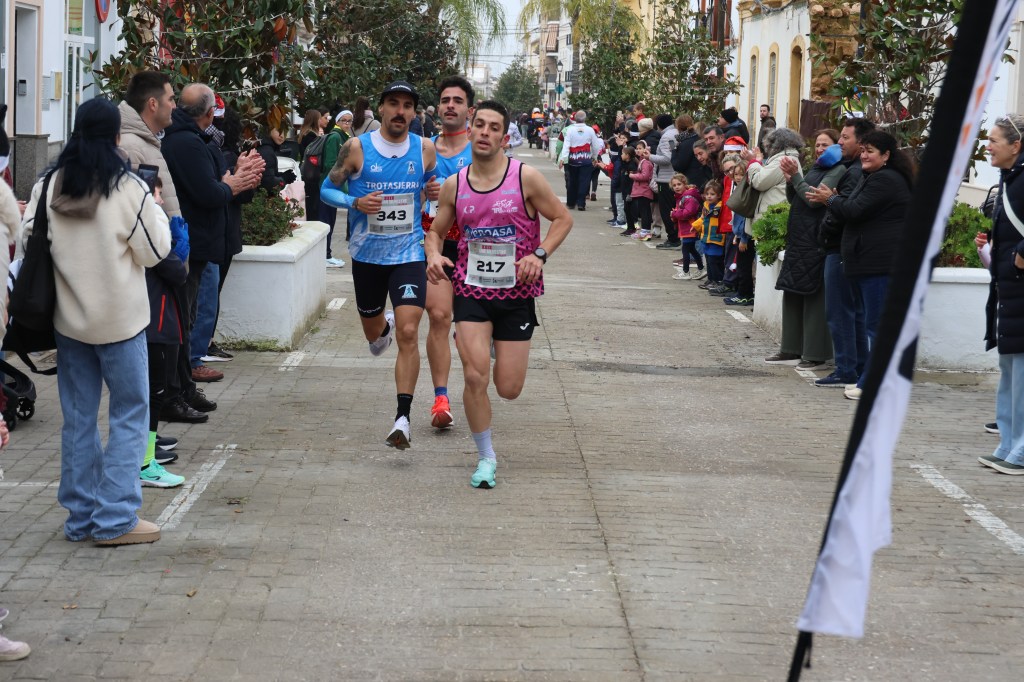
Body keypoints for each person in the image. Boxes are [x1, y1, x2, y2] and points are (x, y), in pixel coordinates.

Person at [22, 97, 171, 544]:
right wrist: (156, 203)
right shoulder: (128, 188)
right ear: (116, 137)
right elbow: (156, 250)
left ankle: (81, 517)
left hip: (69, 322)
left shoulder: (49, 184)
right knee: (129, 414)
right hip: (121, 323)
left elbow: (29, 241)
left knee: (78, 419)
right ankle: (116, 519)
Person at [424, 99, 573, 488]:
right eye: (481, 125)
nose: (486, 132)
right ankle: (486, 457)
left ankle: (493, 343)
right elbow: (435, 231)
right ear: (470, 129)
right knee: (475, 376)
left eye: (494, 128)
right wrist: (434, 255)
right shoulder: (456, 185)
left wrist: (540, 254)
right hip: (470, 290)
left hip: (516, 294)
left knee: (508, 389)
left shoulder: (525, 178)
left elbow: (562, 218)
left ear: (505, 138)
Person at [320, 81, 439, 448]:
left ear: (414, 113)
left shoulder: (425, 149)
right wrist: (354, 203)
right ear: (381, 109)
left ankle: (403, 418)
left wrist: (433, 192)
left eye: (407, 105)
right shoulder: (357, 148)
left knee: (409, 331)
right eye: (393, 104)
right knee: (374, 337)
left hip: (409, 254)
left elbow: (432, 189)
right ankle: (381, 327)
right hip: (367, 257)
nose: (400, 111)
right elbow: (326, 189)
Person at [162, 83, 263, 385]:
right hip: (194, 239)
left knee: (196, 307)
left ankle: (185, 375)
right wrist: (232, 184)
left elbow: (216, 183)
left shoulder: (197, 140)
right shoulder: (187, 143)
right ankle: (184, 374)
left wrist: (236, 177)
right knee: (192, 309)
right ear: (208, 114)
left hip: (206, 238)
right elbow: (207, 192)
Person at [813, 130, 915, 400]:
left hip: (880, 263)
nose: (865, 156)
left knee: (877, 326)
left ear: (886, 155)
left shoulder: (885, 179)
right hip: (868, 261)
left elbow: (854, 210)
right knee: (870, 321)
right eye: (864, 150)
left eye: (871, 151)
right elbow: (852, 205)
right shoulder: (873, 176)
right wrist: (838, 200)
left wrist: (830, 199)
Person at [804, 118, 875, 385]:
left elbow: (845, 211)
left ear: (861, 141)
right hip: (845, 247)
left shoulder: (854, 173)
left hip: (841, 248)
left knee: (841, 311)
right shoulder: (853, 169)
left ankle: (846, 368)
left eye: (845, 138)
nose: (840, 142)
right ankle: (856, 367)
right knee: (852, 311)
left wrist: (829, 207)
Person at [770, 129, 848, 372]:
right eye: (818, 145)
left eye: (825, 145)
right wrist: (790, 180)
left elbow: (814, 199)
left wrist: (796, 178)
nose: (820, 149)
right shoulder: (816, 168)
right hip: (799, 238)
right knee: (793, 291)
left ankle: (816, 354)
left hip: (817, 238)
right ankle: (791, 348)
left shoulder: (839, 170)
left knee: (815, 296)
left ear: (836, 147)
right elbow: (796, 197)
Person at [424, 75, 475, 431]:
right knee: (440, 316)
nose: (451, 105)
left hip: (475, 248)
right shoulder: (423, 149)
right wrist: (423, 192)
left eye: (458, 100)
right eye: (445, 100)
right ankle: (440, 398)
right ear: (438, 107)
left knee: (470, 326)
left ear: (470, 110)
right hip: (436, 242)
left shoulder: (482, 149)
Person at [979, 114, 1024, 474]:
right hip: (1009, 290)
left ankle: (1021, 451)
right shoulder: (1010, 178)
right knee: (1010, 371)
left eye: (994, 140)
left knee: (1021, 374)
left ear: (1016, 145)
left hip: (1019, 287)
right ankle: (1008, 444)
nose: (988, 146)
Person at [731, 128, 803, 307]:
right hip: (772, 215)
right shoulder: (784, 158)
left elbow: (759, 181)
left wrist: (754, 162)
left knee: (765, 263)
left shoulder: (783, 159)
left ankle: (763, 303)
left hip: (772, 218)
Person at [320, 109, 352, 265]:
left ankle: (326, 254)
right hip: (328, 186)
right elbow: (330, 163)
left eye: (349, 120)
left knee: (330, 221)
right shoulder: (335, 137)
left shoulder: (345, 137)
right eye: (343, 120)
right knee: (326, 221)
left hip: (333, 186)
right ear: (337, 121)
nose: (347, 123)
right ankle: (325, 256)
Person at [558, 110, 601, 211]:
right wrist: (594, 157)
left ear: (575, 119)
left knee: (572, 182)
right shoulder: (590, 130)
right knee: (584, 182)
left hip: (573, 161)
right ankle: (581, 203)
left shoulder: (570, 130)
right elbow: (596, 146)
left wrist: (563, 158)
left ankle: (571, 203)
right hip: (586, 160)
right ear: (585, 119)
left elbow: (566, 145)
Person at [651, 113, 682, 249]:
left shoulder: (666, 136)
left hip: (665, 178)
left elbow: (667, 158)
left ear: (658, 125)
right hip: (671, 176)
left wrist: (649, 156)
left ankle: (673, 238)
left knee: (666, 210)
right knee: (672, 209)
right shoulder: (674, 133)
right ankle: (675, 237)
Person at [670, 173, 704, 280]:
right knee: (692, 249)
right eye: (674, 185)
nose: (677, 187)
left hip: (690, 228)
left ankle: (686, 272)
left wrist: (674, 213)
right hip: (687, 228)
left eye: (679, 184)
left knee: (686, 249)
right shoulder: (681, 197)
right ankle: (701, 268)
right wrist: (675, 215)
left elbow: (687, 213)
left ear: (685, 184)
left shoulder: (688, 197)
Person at [693, 180, 726, 286]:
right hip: (706, 237)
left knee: (714, 260)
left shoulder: (721, 207)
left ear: (719, 195)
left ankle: (718, 280)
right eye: (707, 194)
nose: (709, 196)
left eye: (712, 194)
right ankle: (711, 279)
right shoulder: (706, 205)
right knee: (708, 259)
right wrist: (695, 226)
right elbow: (703, 218)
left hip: (716, 237)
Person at [298, 107, 324, 222]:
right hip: (312, 173)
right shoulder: (311, 136)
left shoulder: (303, 134)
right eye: (319, 119)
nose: (320, 121)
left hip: (305, 171)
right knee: (313, 206)